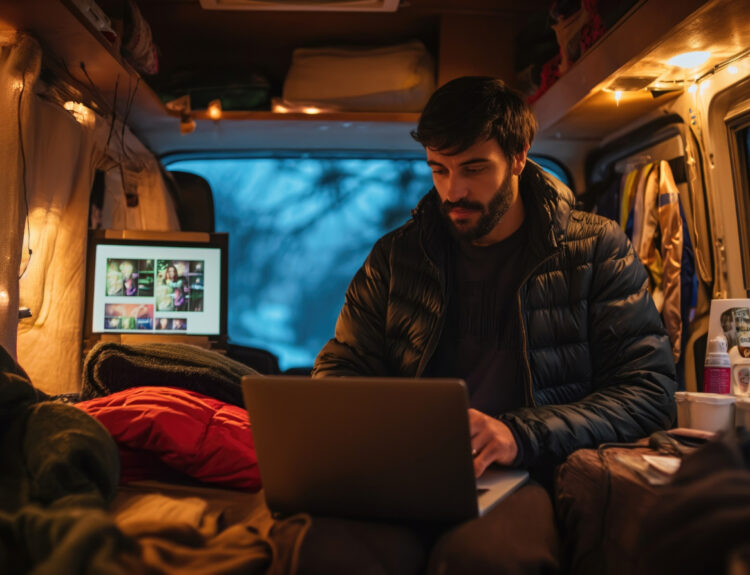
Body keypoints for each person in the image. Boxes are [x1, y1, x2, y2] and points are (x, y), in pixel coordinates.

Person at [312, 76, 676, 574]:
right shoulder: (397, 256)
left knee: (484, 561)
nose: (453, 190)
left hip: (526, 474)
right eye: (438, 170)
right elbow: (341, 368)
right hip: (407, 476)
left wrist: (518, 435)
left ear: (520, 156)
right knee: (330, 552)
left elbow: (648, 394)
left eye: (474, 168)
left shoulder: (596, 249)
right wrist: (383, 440)